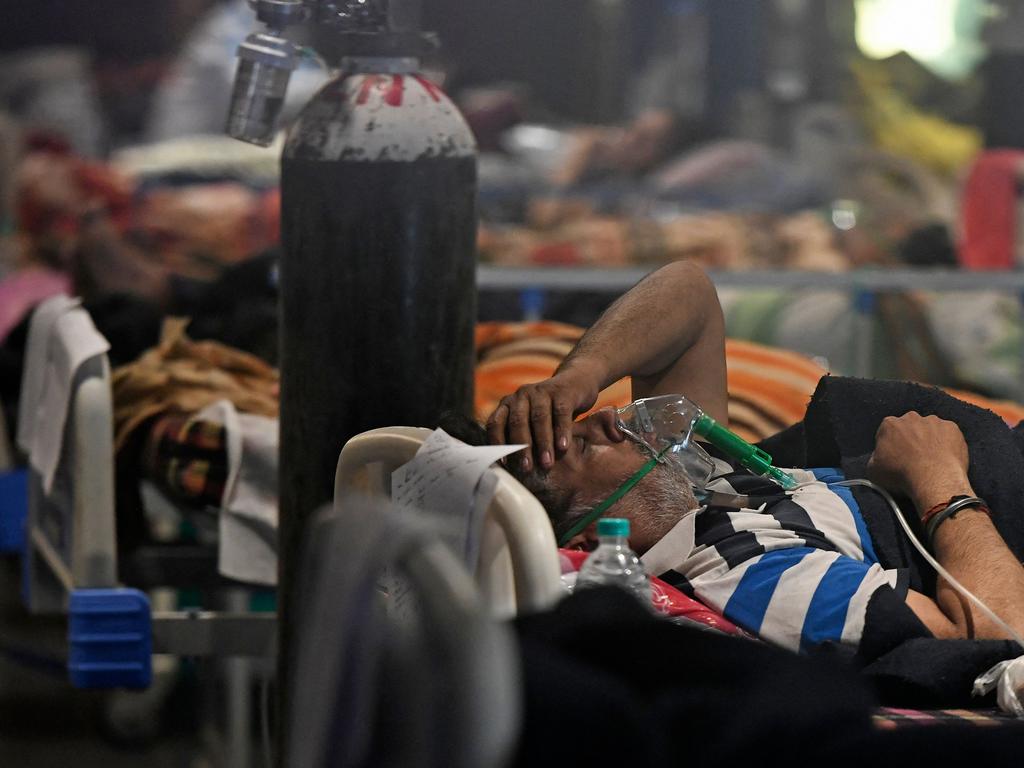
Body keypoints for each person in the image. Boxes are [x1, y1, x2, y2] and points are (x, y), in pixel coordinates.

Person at [484, 260, 1024, 654]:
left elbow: (688, 291)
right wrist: (939, 480)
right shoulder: (744, 573)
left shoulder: (702, 484)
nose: (602, 417)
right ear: (593, 540)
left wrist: (578, 377)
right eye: (579, 445)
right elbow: (1001, 631)